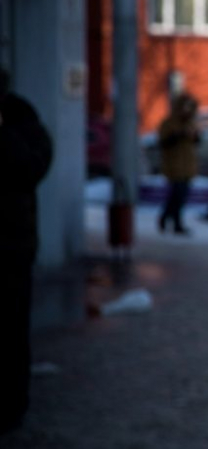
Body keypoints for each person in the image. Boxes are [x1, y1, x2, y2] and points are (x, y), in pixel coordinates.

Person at [0, 67, 53, 433]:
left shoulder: (21, 120)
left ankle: (12, 406)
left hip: (10, 248)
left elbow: (31, 167)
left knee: (11, 332)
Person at [157, 92, 199, 235]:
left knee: (180, 195)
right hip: (174, 165)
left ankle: (167, 218)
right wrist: (180, 134)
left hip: (187, 165)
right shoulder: (169, 123)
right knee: (177, 195)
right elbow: (164, 142)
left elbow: (197, 140)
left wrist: (194, 135)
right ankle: (174, 222)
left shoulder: (190, 123)